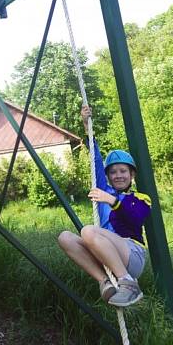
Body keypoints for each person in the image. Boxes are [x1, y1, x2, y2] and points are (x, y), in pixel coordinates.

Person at [58, 105, 151, 307]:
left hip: (131, 255)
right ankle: (105, 282)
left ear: (132, 175)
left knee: (88, 231)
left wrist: (114, 202)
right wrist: (86, 125)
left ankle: (128, 283)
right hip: (105, 255)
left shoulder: (141, 198)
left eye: (123, 171)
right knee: (65, 237)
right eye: (113, 172)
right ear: (108, 176)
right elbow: (96, 160)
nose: (118, 175)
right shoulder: (104, 189)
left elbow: (135, 218)